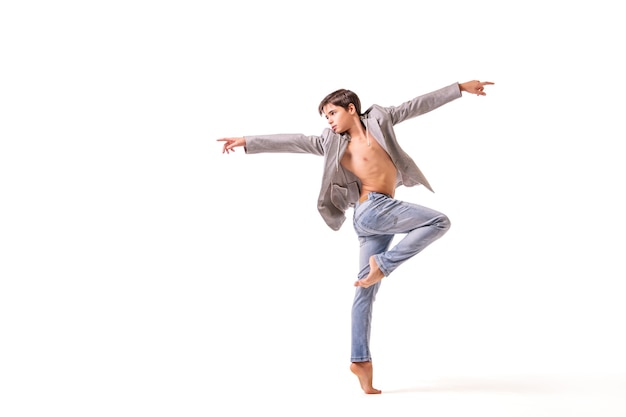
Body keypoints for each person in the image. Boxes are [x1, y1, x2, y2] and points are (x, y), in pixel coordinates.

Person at [217, 80, 494, 394]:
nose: (329, 120)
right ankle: (385, 263)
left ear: (352, 109)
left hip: (375, 219)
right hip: (372, 209)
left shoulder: (380, 118)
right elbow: (295, 141)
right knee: (439, 222)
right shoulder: (330, 142)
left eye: (332, 113)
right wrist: (247, 141)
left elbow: (417, 105)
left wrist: (458, 88)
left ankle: (360, 361)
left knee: (366, 289)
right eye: (325, 117)